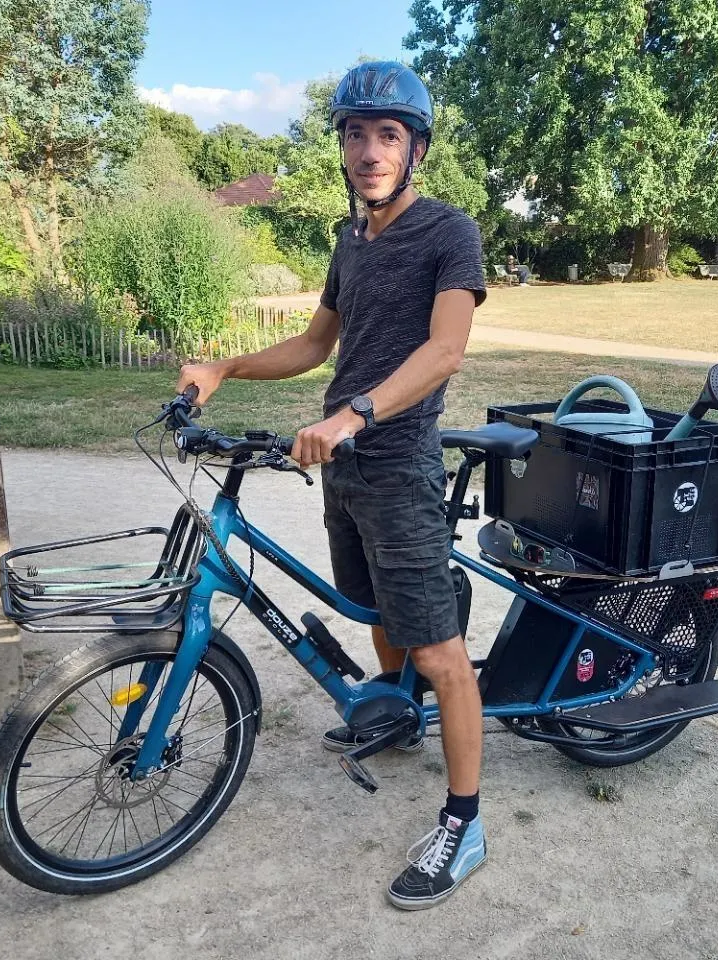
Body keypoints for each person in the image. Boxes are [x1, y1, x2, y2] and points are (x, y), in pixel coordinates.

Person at [175, 60, 487, 910]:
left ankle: (465, 822)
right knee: (375, 611)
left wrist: (355, 415)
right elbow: (317, 344)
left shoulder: (448, 233)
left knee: (436, 648)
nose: (369, 149)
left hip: (398, 462)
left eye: (388, 134)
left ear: (415, 148)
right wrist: (227, 365)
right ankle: (395, 718)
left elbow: (445, 350)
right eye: (356, 133)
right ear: (342, 147)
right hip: (343, 470)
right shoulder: (349, 242)